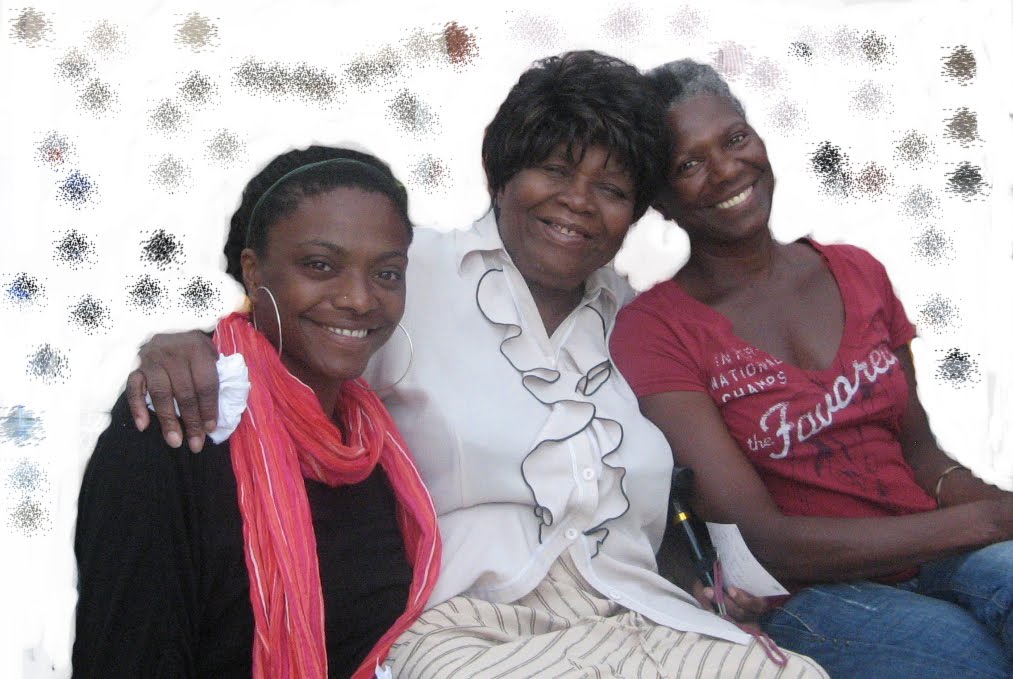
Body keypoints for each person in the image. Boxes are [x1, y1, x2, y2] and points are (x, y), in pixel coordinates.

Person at [123, 51, 830, 677]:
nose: (578, 202)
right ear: (502, 176)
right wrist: (188, 343)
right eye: (555, 170)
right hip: (464, 624)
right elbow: (296, 336)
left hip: (638, 615)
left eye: (612, 190)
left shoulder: (642, 324)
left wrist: (711, 581)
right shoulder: (411, 271)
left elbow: (670, 503)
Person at [609, 58, 1013, 679]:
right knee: (963, 656)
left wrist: (998, 508)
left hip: (940, 549)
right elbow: (765, 542)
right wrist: (984, 522)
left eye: (735, 138)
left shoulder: (857, 271)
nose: (726, 169)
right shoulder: (657, 330)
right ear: (658, 199)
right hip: (807, 595)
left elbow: (922, 457)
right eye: (689, 165)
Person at [73, 146, 441, 679]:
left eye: (387, 273)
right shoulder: (176, 427)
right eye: (320, 265)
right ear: (252, 270)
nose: (360, 299)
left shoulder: (376, 448)